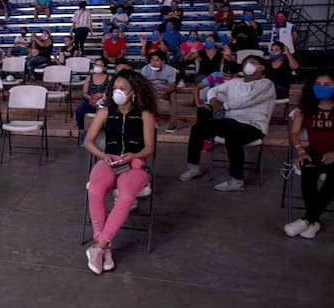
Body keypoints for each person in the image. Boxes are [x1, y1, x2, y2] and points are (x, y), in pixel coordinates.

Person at [83, 70, 156, 275]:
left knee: (125, 196)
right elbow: (88, 142)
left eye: (123, 88)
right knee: (95, 190)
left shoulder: (145, 115)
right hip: (109, 160)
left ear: (134, 92)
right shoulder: (105, 112)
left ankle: (99, 246)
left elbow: (149, 147)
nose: (118, 92)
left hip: (135, 164)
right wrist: (103, 155)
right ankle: (103, 246)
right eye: (115, 88)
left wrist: (135, 155)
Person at [179, 56, 276, 189]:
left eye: (253, 62)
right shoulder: (235, 81)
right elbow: (213, 90)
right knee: (198, 128)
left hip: (254, 125)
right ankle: (193, 167)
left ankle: (237, 180)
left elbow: (248, 99)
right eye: (246, 62)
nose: (248, 64)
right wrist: (213, 100)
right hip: (232, 121)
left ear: (261, 67)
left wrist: (224, 106)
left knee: (233, 137)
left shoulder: (266, 84)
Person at [284, 70, 334, 239]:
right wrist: (300, 151)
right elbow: (294, 133)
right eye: (318, 84)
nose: (322, 87)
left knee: (332, 180)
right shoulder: (305, 107)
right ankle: (314, 221)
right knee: (308, 174)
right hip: (314, 150)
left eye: (327, 85)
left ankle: (308, 219)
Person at [141, 50, 178, 133]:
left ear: (163, 62)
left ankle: (173, 123)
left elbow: (172, 86)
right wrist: (153, 91)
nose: (154, 63)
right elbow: (143, 85)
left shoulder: (170, 70)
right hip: (151, 90)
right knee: (142, 95)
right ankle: (148, 121)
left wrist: (165, 91)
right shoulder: (145, 69)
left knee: (173, 95)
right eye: (152, 60)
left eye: (157, 60)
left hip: (166, 90)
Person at [75, 57, 110, 144]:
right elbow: (84, 92)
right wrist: (91, 98)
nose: (97, 67)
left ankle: (105, 134)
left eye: (99, 65)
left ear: (104, 68)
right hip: (91, 102)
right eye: (96, 65)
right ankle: (82, 133)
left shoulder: (109, 78)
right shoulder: (89, 77)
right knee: (79, 111)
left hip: (104, 103)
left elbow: (111, 92)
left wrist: (102, 95)